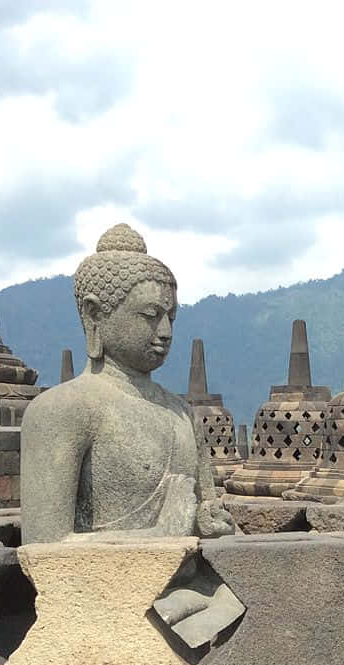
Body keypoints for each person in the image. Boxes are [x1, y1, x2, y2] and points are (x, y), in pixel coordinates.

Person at [20, 224, 233, 544]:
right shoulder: (61, 411)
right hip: (106, 591)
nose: (165, 331)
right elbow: (43, 548)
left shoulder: (182, 413)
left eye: (171, 317)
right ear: (95, 315)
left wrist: (208, 524)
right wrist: (162, 535)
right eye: (150, 314)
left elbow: (205, 517)